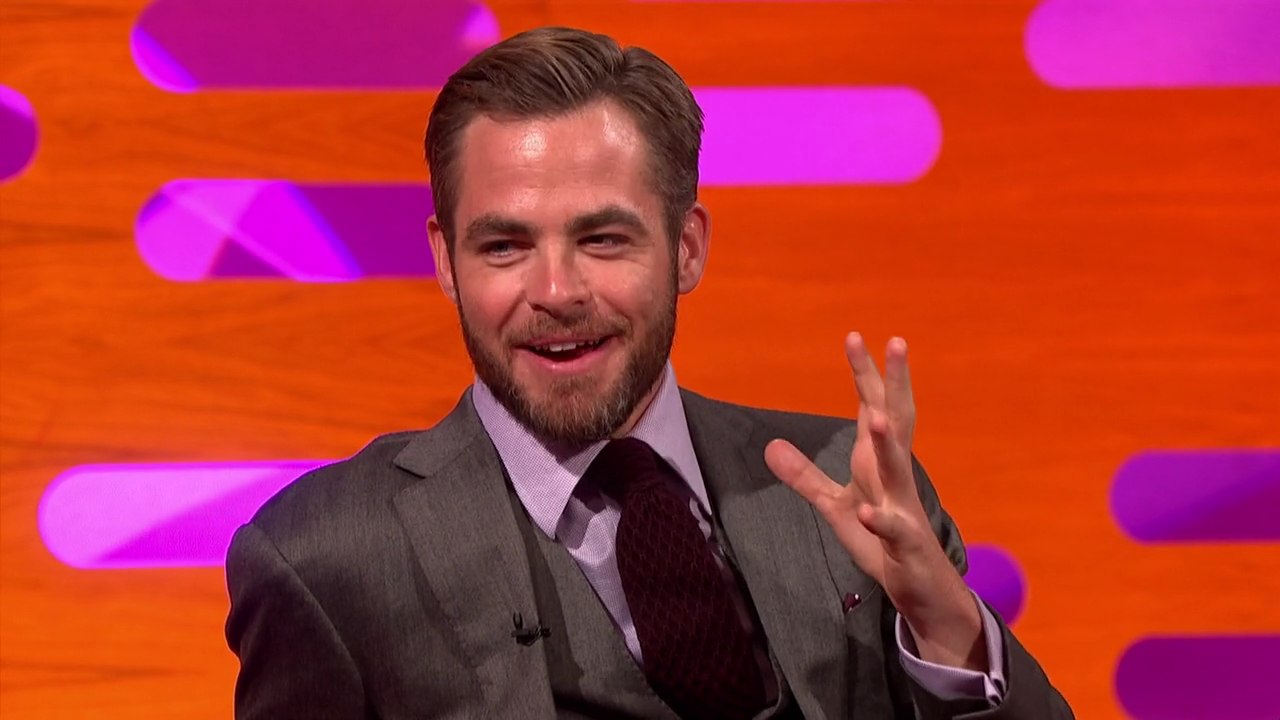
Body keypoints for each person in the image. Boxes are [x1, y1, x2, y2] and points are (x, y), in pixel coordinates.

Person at [225, 26, 1073, 719]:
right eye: (505, 246)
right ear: (446, 261)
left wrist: (948, 627)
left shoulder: (850, 498)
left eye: (603, 239)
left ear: (687, 248)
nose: (556, 291)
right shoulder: (326, 558)